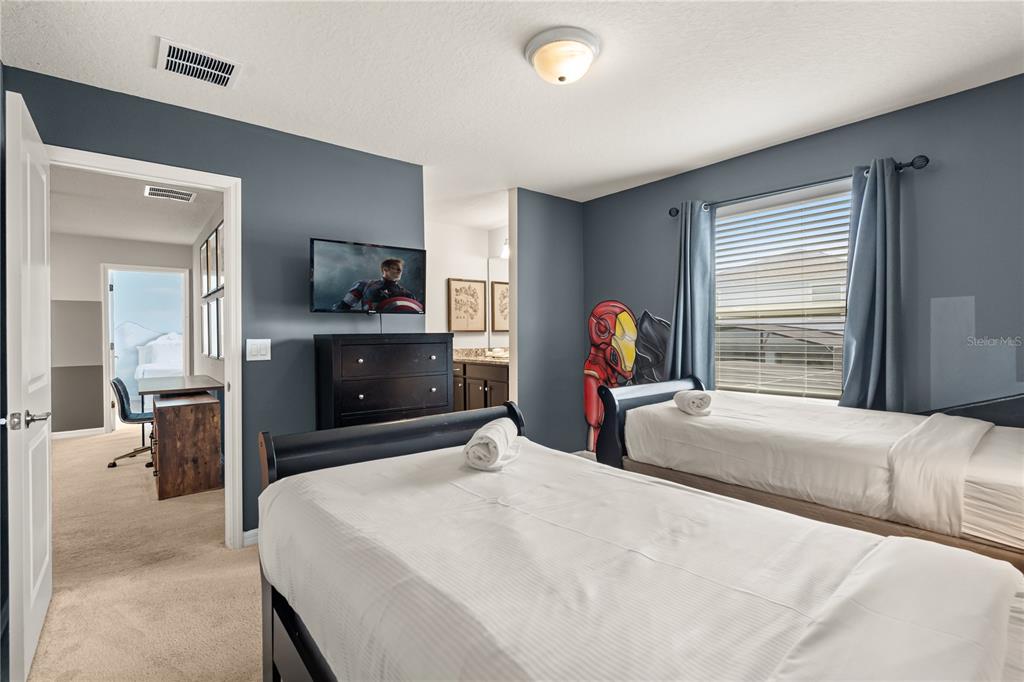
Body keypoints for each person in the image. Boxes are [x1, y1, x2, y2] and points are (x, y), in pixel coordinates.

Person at [333, 258, 420, 312]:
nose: (399, 271)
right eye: (396, 268)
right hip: (367, 325)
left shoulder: (408, 295)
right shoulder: (364, 285)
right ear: (385, 269)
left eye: (400, 269)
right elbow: (343, 307)